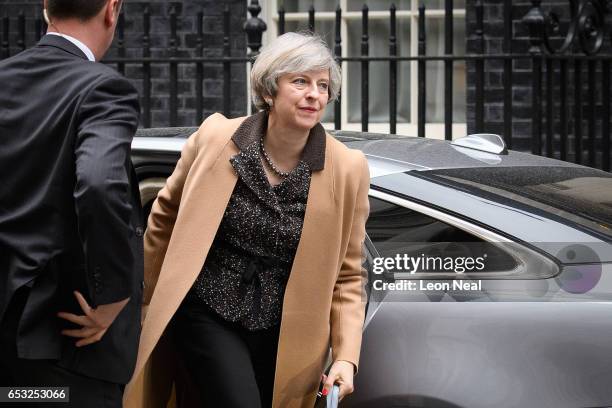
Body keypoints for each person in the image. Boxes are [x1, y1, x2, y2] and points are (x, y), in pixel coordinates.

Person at [123, 32, 370, 408]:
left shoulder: (347, 169)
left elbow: (349, 274)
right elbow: (165, 217)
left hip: (287, 329)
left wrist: (346, 356)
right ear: (269, 90)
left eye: (323, 86)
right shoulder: (216, 138)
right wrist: (147, 302)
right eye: (300, 82)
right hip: (207, 309)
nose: (314, 95)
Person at [0, 0, 143, 406]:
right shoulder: (103, 88)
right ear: (112, 9)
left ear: (47, 8)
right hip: (66, 342)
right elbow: (99, 184)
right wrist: (113, 292)